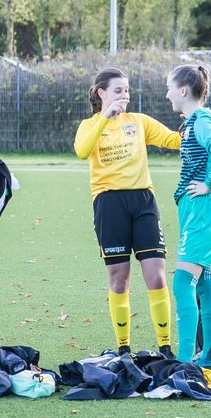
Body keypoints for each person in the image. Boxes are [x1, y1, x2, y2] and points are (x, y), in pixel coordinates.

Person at [74, 68, 181, 356]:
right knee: (119, 277)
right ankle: (123, 347)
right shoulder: (89, 125)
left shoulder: (139, 122)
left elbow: (174, 140)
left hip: (143, 201)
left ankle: (165, 346)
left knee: (156, 275)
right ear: (102, 93)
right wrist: (104, 119)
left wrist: (195, 122)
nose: (125, 95)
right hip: (109, 204)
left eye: (127, 90)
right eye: (119, 90)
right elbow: (82, 151)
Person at [165, 64, 211, 369]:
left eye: (169, 88)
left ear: (183, 91)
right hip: (199, 209)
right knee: (205, 281)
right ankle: (209, 356)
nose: (167, 95)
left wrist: (207, 184)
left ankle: (183, 362)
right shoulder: (194, 121)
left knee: (182, 284)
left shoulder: (202, 120)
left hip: (204, 210)